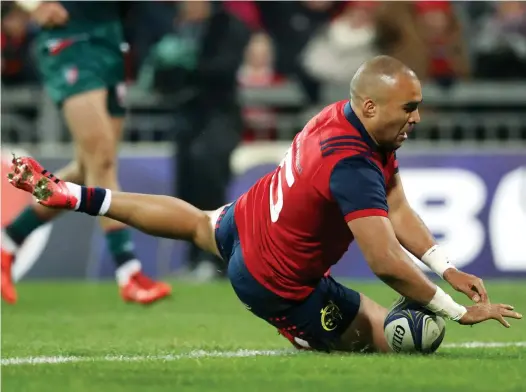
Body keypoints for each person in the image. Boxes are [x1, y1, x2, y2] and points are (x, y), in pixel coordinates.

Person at [7, 56, 521, 352]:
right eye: (409, 108)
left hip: (248, 220)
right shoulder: (352, 163)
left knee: (192, 223)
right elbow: (385, 260)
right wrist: (456, 312)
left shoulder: (343, 120)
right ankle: (300, 331)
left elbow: (398, 207)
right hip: (276, 282)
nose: (416, 118)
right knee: (394, 344)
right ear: (371, 106)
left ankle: (73, 194)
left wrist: (446, 267)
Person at [1, 1, 171, 305]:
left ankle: (8, 240)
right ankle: (129, 272)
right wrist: (32, 4)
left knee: (88, 166)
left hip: (109, 37)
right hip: (71, 38)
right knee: (102, 162)